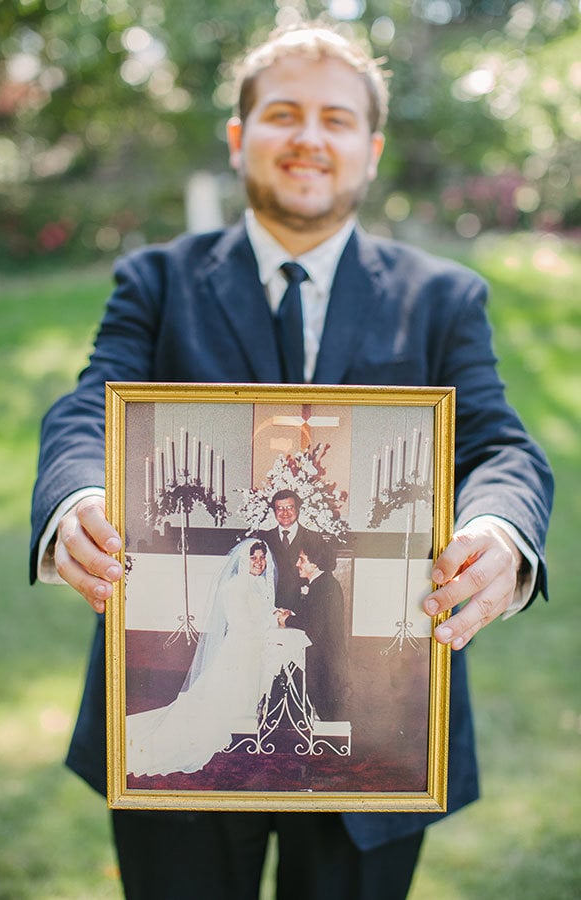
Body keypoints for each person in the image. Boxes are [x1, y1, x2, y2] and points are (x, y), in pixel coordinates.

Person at [30, 21, 553, 900]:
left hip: (383, 725)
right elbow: (90, 403)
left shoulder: (443, 299)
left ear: (371, 148)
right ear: (240, 138)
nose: (310, 137)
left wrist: (499, 528)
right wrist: (75, 494)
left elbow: (499, 445)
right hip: (187, 780)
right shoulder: (156, 281)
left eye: (337, 119)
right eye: (283, 114)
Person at [127, 540, 276, 776]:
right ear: (243, 561)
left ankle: (247, 729)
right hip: (240, 648)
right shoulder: (234, 588)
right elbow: (242, 624)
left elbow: (260, 615)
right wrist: (273, 620)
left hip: (255, 647)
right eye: (253, 558)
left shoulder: (259, 585)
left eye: (262, 558)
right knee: (220, 705)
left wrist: (274, 615)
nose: (259, 563)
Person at [277, 533, 349, 722]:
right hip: (325, 654)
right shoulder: (322, 583)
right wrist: (292, 614)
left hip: (323, 659)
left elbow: (313, 627)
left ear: (315, 563)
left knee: (325, 707)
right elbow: (315, 617)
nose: (297, 564)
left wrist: (287, 621)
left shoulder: (323, 586)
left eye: (302, 560)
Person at [260, 489, 311, 609]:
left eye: (289, 507)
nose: (285, 513)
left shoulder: (313, 537)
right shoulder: (264, 538)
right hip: (271, 605)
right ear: (274, 511)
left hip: (304, 605)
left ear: (297, 510)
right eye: (280, 508)